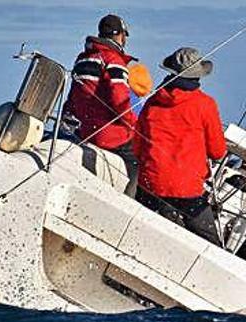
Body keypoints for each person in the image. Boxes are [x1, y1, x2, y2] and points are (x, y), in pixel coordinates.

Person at [134, 47, 227, 242]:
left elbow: (137, 147)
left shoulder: (152, 103)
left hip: (150, 185)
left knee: (141, 233)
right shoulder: (205, 104)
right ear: (198, 76)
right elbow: (218, 152)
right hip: (187, 189)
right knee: (212, 244)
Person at [62, 14, 140, 195]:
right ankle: (129, 205)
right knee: (140, 159)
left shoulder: (83, 59)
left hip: (87, 131)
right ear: (120, 36)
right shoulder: (114, 61)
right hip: (109, 135)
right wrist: (136, 125)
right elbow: (120, 102)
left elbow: (73, 98)